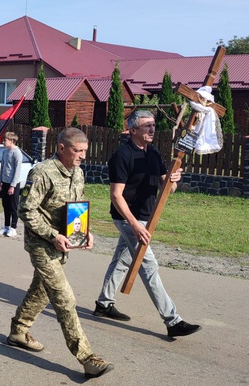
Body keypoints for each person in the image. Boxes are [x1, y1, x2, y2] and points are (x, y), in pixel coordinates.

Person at [7, 127, 114, 379]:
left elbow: (77, 206)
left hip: (64, 244)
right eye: (78, 151)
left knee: (41, 290)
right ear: (62, 148)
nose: (82, 157)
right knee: (64, 298)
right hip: (42, 244)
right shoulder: (42, 172)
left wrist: (85, 231)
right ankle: (87, 358)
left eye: (85, 151)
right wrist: (52, 235)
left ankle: (18, 331)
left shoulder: (77, 173)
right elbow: (26, 210)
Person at [93, 110, 202, 338]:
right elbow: (116, 195)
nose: (152, 129)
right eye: (147, 126)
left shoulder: (152, 153)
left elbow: (167, 190)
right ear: (133, 130)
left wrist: (173, 181)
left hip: (146, 217)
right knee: (149, 266)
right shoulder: (122, 156)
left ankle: (103, 304)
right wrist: (134, 225)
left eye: (153, 125)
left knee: (121, 261)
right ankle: (173, 320)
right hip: (127, 218)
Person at [0, 132, 22, 238]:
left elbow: (17, 170)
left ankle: (13, 228)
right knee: (5, 205)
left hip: (13, 184)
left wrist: (13, 185)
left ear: (11, 141)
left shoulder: (17, 152)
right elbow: (2, 166)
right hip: (5, 182)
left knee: (13, 206)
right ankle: (6, 226)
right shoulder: (5, 151)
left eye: (5, 140)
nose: (3, 142)